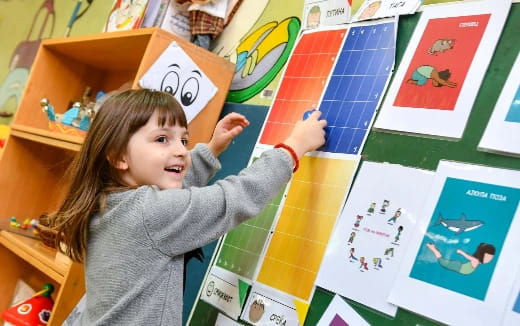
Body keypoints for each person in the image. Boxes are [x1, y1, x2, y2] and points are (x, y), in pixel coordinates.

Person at [51, 88, 326, 325]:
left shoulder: (106, 201)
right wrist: (293, 147)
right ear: (119, 156)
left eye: (183, 139)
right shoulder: (148, 213)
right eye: (162, 139)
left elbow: (170, 190)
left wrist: (211, 150)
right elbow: (236, 197)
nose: (182, 150)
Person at [425, 242, 495, 275]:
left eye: (491, 257)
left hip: (460, 267)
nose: (489, 260)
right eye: (488, 257)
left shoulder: (478, 261)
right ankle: (432, 248)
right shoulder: (476, 261)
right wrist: (461, 252)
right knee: (442, 262)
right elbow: (468, 257)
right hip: (459, 267)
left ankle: (433, 248)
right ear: (481, 254)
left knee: (442, 262)